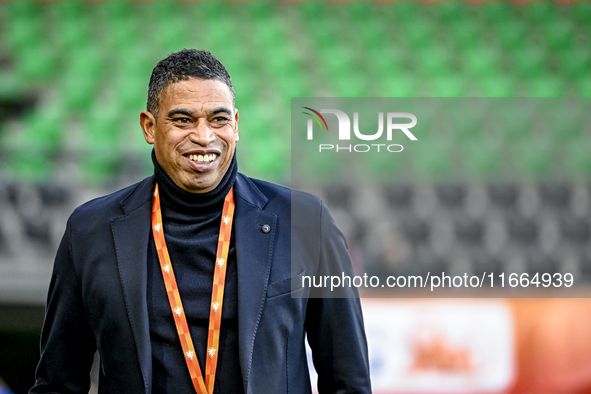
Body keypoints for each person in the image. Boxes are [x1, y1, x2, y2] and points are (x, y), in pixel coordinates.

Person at [30, 49, 371, 394]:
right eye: (183, 120)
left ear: (236, 125)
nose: (204, 137)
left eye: (219, 120)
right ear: (149, 127)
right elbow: (58, 383)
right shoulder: (90, 231)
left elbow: (348, 381)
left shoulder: (306, 222)